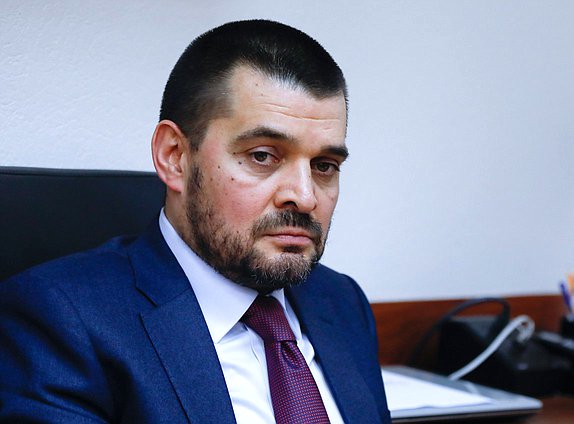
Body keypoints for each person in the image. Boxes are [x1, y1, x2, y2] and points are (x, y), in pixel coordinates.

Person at [0, 20, 390, 423]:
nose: (305, 197)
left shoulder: (341, 302)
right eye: (262, 156)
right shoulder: (62, 321)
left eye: (324, 165)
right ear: (175, 157)